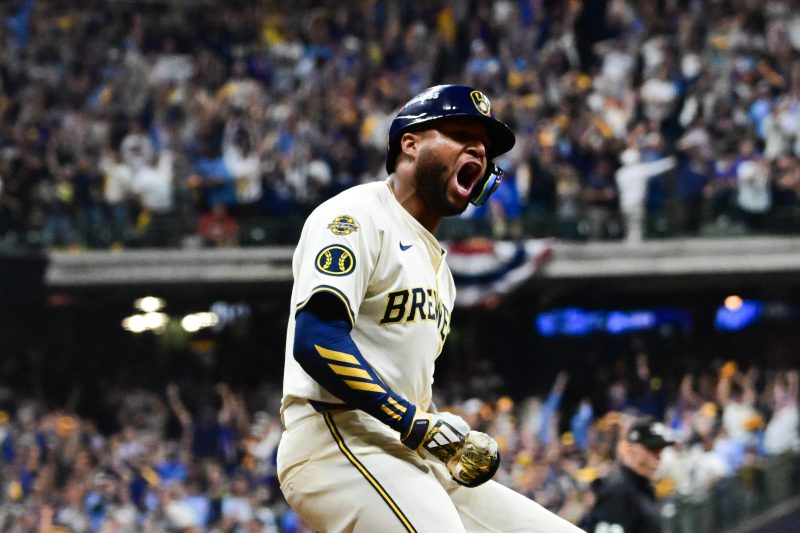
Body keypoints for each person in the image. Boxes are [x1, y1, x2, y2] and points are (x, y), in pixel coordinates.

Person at [277, 85, 583, 532]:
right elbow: (316, 337)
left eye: (485, 148)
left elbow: (403, 379)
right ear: (410, 143)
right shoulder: (355, 215)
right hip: (337, 438)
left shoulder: (440, 268)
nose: (478, 150)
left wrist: (438, 432)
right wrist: (412, 422)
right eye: (460, 135)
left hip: (407, 448)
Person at [586, 416, 675, 533]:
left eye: (661, 450)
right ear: (632, 449)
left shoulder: (645, 489)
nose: (659, 457)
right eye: (653, 449)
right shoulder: (619, 490)